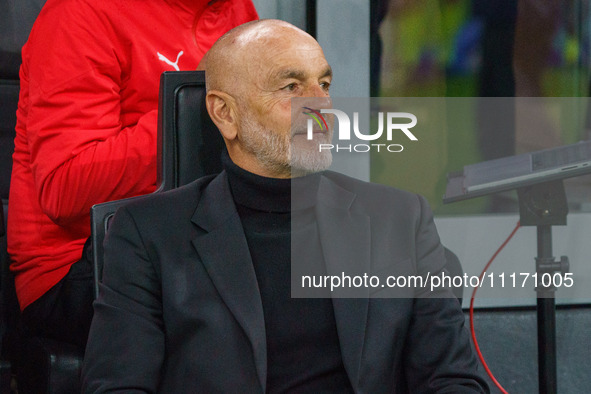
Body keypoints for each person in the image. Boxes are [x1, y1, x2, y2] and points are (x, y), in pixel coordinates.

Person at [82, 19, 489, 393]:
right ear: (225, 113)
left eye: (325, 85)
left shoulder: (400, 219)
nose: (321, 105)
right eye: (291, 87)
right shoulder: (147, 233)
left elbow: (452, 380)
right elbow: (118, 386)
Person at [7, 0, 258, 348]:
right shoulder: (81, 11)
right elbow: (65, 187)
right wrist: (192, 114)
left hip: (203, 234)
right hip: (80, 262)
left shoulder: (236, 9)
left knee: (331, 272)